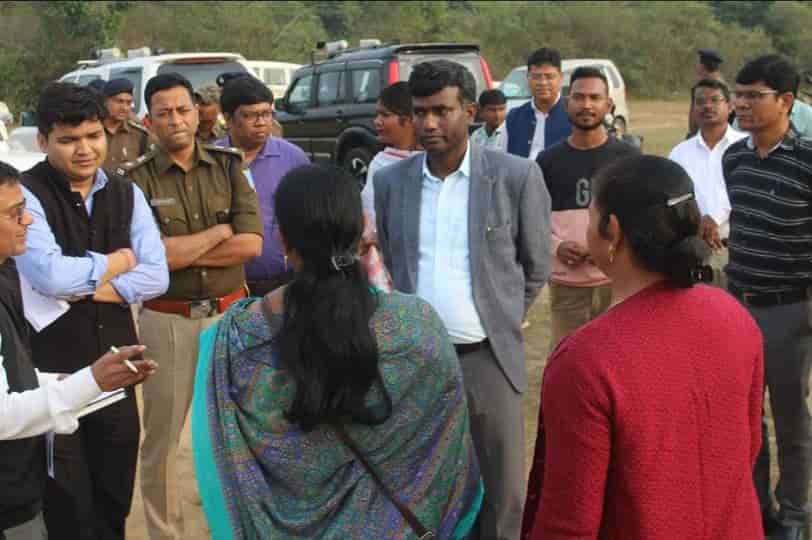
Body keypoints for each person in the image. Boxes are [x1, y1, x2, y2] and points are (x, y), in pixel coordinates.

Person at [191, 164, 482, 539]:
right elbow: (445, 448)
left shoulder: (235, 339)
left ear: (283, 239)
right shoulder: (417, 325)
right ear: (362, 229)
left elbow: (223, 466)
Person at [522, 155, 764, 540]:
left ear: (613, 231)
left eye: (590, 217)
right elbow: (747, 448)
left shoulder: (586, 361)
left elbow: (569, 522)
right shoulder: (735, 318)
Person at [374, 60, 551, 540]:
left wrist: (499, 317)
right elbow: (393, 257)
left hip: (487, 359)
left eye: (441, 111)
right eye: (420, 112)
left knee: (501, 491)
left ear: (470, 112)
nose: (429, 123)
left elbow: (536, 265)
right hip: (419, 362)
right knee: (427, 487)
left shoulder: (515, 177)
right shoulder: (392, 183)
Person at [14, 82, 168, 540]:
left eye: (93, 135)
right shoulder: (27, 195)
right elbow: (49, 276)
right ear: (43, 140)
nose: (84, 149)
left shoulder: (126, 191)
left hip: (117, 370)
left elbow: (157, 277)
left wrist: (83, 288)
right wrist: (119, 262)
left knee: (113, 499)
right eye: (68, 140)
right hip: (52, 376)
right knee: (66, 507)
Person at [120, 72, 263, 540]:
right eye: (164, 113)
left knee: (239, 430)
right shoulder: (134, 180)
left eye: (183, 110)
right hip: (168, 319)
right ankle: (166, 533)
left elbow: (251, 245)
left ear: (198, 112)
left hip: (230, 316)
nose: (176, 120)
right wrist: (218, 233)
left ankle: (238, 527)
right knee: (162, 438)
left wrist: (179, 250)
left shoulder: (227, 166)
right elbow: (149, 260)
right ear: (149, 120)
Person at [724, 54, 812, 540]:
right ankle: (755, 507)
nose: (741, 104)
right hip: (738, 305)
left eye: (753, 96)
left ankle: (794, 514)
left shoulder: (807, 161)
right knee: (742, 417)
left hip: (790, 310)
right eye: (739, 95)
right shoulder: (734, 159)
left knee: (790, 418)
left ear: (785, 101)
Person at [538, 66, 639, 349]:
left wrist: (609, 248)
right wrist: (557, 246)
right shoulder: (547, 161)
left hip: (617, 283)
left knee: (618, 359)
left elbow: (640, 217)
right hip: (567, 287)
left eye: (595, 98)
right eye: (579, 97)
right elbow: (532, 220)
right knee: (568, 359)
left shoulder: (628, 158)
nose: (586, 105)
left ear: (609, 105)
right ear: (566, 103)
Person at [216, 73, 309, 297]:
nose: (261, 123)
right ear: (228, 119)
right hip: (227, 288)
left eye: (266, 114)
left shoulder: (292, 158)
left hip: (284, 283)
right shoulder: (212, 160)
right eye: (250, 115)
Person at [669, 78, 746, 289]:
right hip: (695, 252)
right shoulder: (680, 153)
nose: (707, 106)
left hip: (738, 250)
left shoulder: (746, 146)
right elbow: (674, 198)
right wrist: (698, 220)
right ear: (693, 108)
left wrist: (715, 218)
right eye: (700, 101)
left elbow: (747, 191)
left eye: (715, 100)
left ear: (730, 106)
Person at [361, 81, 421, 226]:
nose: (377, 121)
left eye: (385, 115)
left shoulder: (435, 162)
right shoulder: (380, 163)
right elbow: (371, 215)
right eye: (377, 115)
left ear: (409, 119)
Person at [499, 48, 572, 159]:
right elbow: (503, 158)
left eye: (549, 76)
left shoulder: (573, 115)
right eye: (536, 77)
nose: (542, 83)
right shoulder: (514, 117)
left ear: (560, 77)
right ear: (528, 78)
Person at [101, 78, 151, 170]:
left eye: (128, 103)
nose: (124, 108)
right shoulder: (92, 131)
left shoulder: (140, 135)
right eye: (119, 101)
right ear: (105, 101)